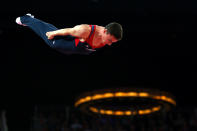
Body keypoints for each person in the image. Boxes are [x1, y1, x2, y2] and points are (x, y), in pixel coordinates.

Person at [15, 13, 123, 55]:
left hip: (74, 48)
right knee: (47, 32)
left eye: (112, 42)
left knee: (49, 28)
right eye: (109, 40)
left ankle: (35, 22)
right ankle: (26, 19)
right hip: (60, 43)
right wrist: (52, 33)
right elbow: (67, 31)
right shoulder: (85, 30)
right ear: (104, 31)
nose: (109, 44)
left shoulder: (107, 36)